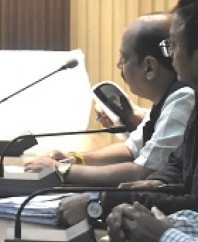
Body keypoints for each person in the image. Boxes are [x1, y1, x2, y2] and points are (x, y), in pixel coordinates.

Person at [60, 0, 198, 228]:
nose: (170, 55)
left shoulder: (186, 96)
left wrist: (101, 201)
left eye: (174, 46)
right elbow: (176, 165)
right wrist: (156, 183)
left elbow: (192, 202)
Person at [25, 14, 194, 186]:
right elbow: (131, 149)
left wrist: (63, 170)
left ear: (149, 67)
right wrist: (74, 159)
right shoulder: (167, 98)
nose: (118, 64)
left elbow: (144, 172)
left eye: (124, 58)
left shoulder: (183, 98)